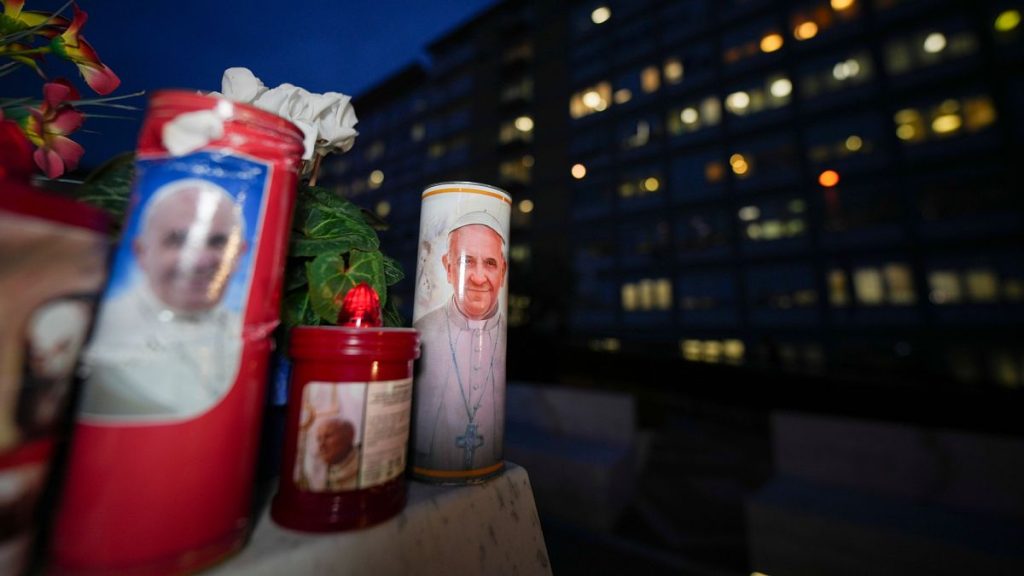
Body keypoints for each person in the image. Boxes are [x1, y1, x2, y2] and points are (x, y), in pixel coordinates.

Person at [79, 180, 248, 418]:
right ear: (141, 252)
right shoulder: (101, 326)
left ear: (240, 253)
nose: (199, 261)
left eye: (217, 242)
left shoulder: (246, 331)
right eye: (177, 240)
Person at [413, 211, 507, 471]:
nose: (478, 277)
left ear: (503, 270)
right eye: (467, 261)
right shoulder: (423, 331)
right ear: (448, 267)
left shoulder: (509, 337)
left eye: (489, 263)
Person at [303, 416, 359, 491]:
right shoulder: (316, 473)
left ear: (349, 436)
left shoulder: (363, 464)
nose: (321, 445)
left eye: (328, 436)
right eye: (319, 439)